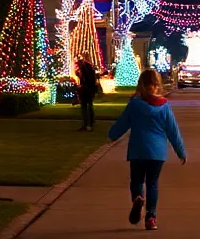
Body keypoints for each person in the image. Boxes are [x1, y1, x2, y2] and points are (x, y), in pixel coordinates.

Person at [108, 69, 188, 231]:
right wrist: (181, 151)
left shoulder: (134, 105)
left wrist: (112, 135)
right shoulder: (164, 106)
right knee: (152, 184)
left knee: (137, 181)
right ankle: (151, 217)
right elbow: (173, 131)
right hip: (157, 153)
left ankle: (138, 198)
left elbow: (122, 124)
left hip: (138, 150)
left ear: (142, 85)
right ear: (156, 85)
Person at [77, 58, 100, 132]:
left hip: (86, 91)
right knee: (88, 107)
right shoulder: (88, 69)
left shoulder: (85, 70)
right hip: (88, 91)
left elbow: (86, 81)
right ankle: (88, 124)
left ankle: (87, 124)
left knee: (86, 108)